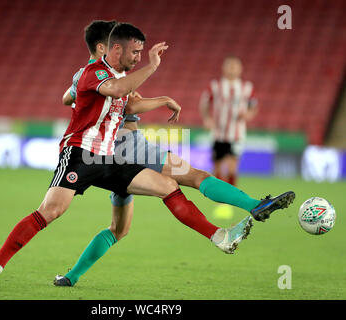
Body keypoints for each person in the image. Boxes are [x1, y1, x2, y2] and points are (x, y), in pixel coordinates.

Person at [0, 22, 259, 290]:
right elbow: (116, 90)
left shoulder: (120, 78)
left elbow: (122, 99)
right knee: (50, 212)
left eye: (140, 53)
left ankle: (219, 236)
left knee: (168, 186)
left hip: (110, 158)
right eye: (135, 52)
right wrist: (153, 66)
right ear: (116, 49)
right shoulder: (93, 72)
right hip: (80, 154)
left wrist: (159, 99)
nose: (138, 57)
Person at [53, 21, 295, 287]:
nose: (128, 53)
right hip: (129, 145)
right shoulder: (113, 75)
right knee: (193, 175)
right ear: (106, 47)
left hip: (108, 153)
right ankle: (253, 206)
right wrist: (164, 99)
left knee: (119, 229)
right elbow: (130, 103)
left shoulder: (84, 74)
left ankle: (70, 277)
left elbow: (67, 97)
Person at [199, 55, 258, 187]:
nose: (232, 69)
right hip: (218, 133)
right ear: (223, 68)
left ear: (240, 69)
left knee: (232, 167)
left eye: (235, 66)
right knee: (218, 168)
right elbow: (204, 103)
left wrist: (249, 114)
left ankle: (231, 195)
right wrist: (207, 118)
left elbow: (253, 106)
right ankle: (219, 196)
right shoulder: (215, 85)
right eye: (229, 66)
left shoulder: (247, 87)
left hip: (237, 134)